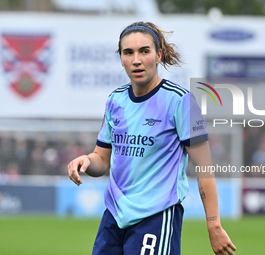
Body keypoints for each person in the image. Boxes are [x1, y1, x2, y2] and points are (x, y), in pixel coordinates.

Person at [68, 21, 236, 255]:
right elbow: (102, 159)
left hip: (157, 217)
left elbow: (204, 169)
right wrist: (86, 160)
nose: (136, 60)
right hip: (114, 217)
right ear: (121, 58)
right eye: (128, 52)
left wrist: (214, 225)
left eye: (144, 51)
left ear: (158, 55)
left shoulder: (181, 101)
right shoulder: (115, 100)